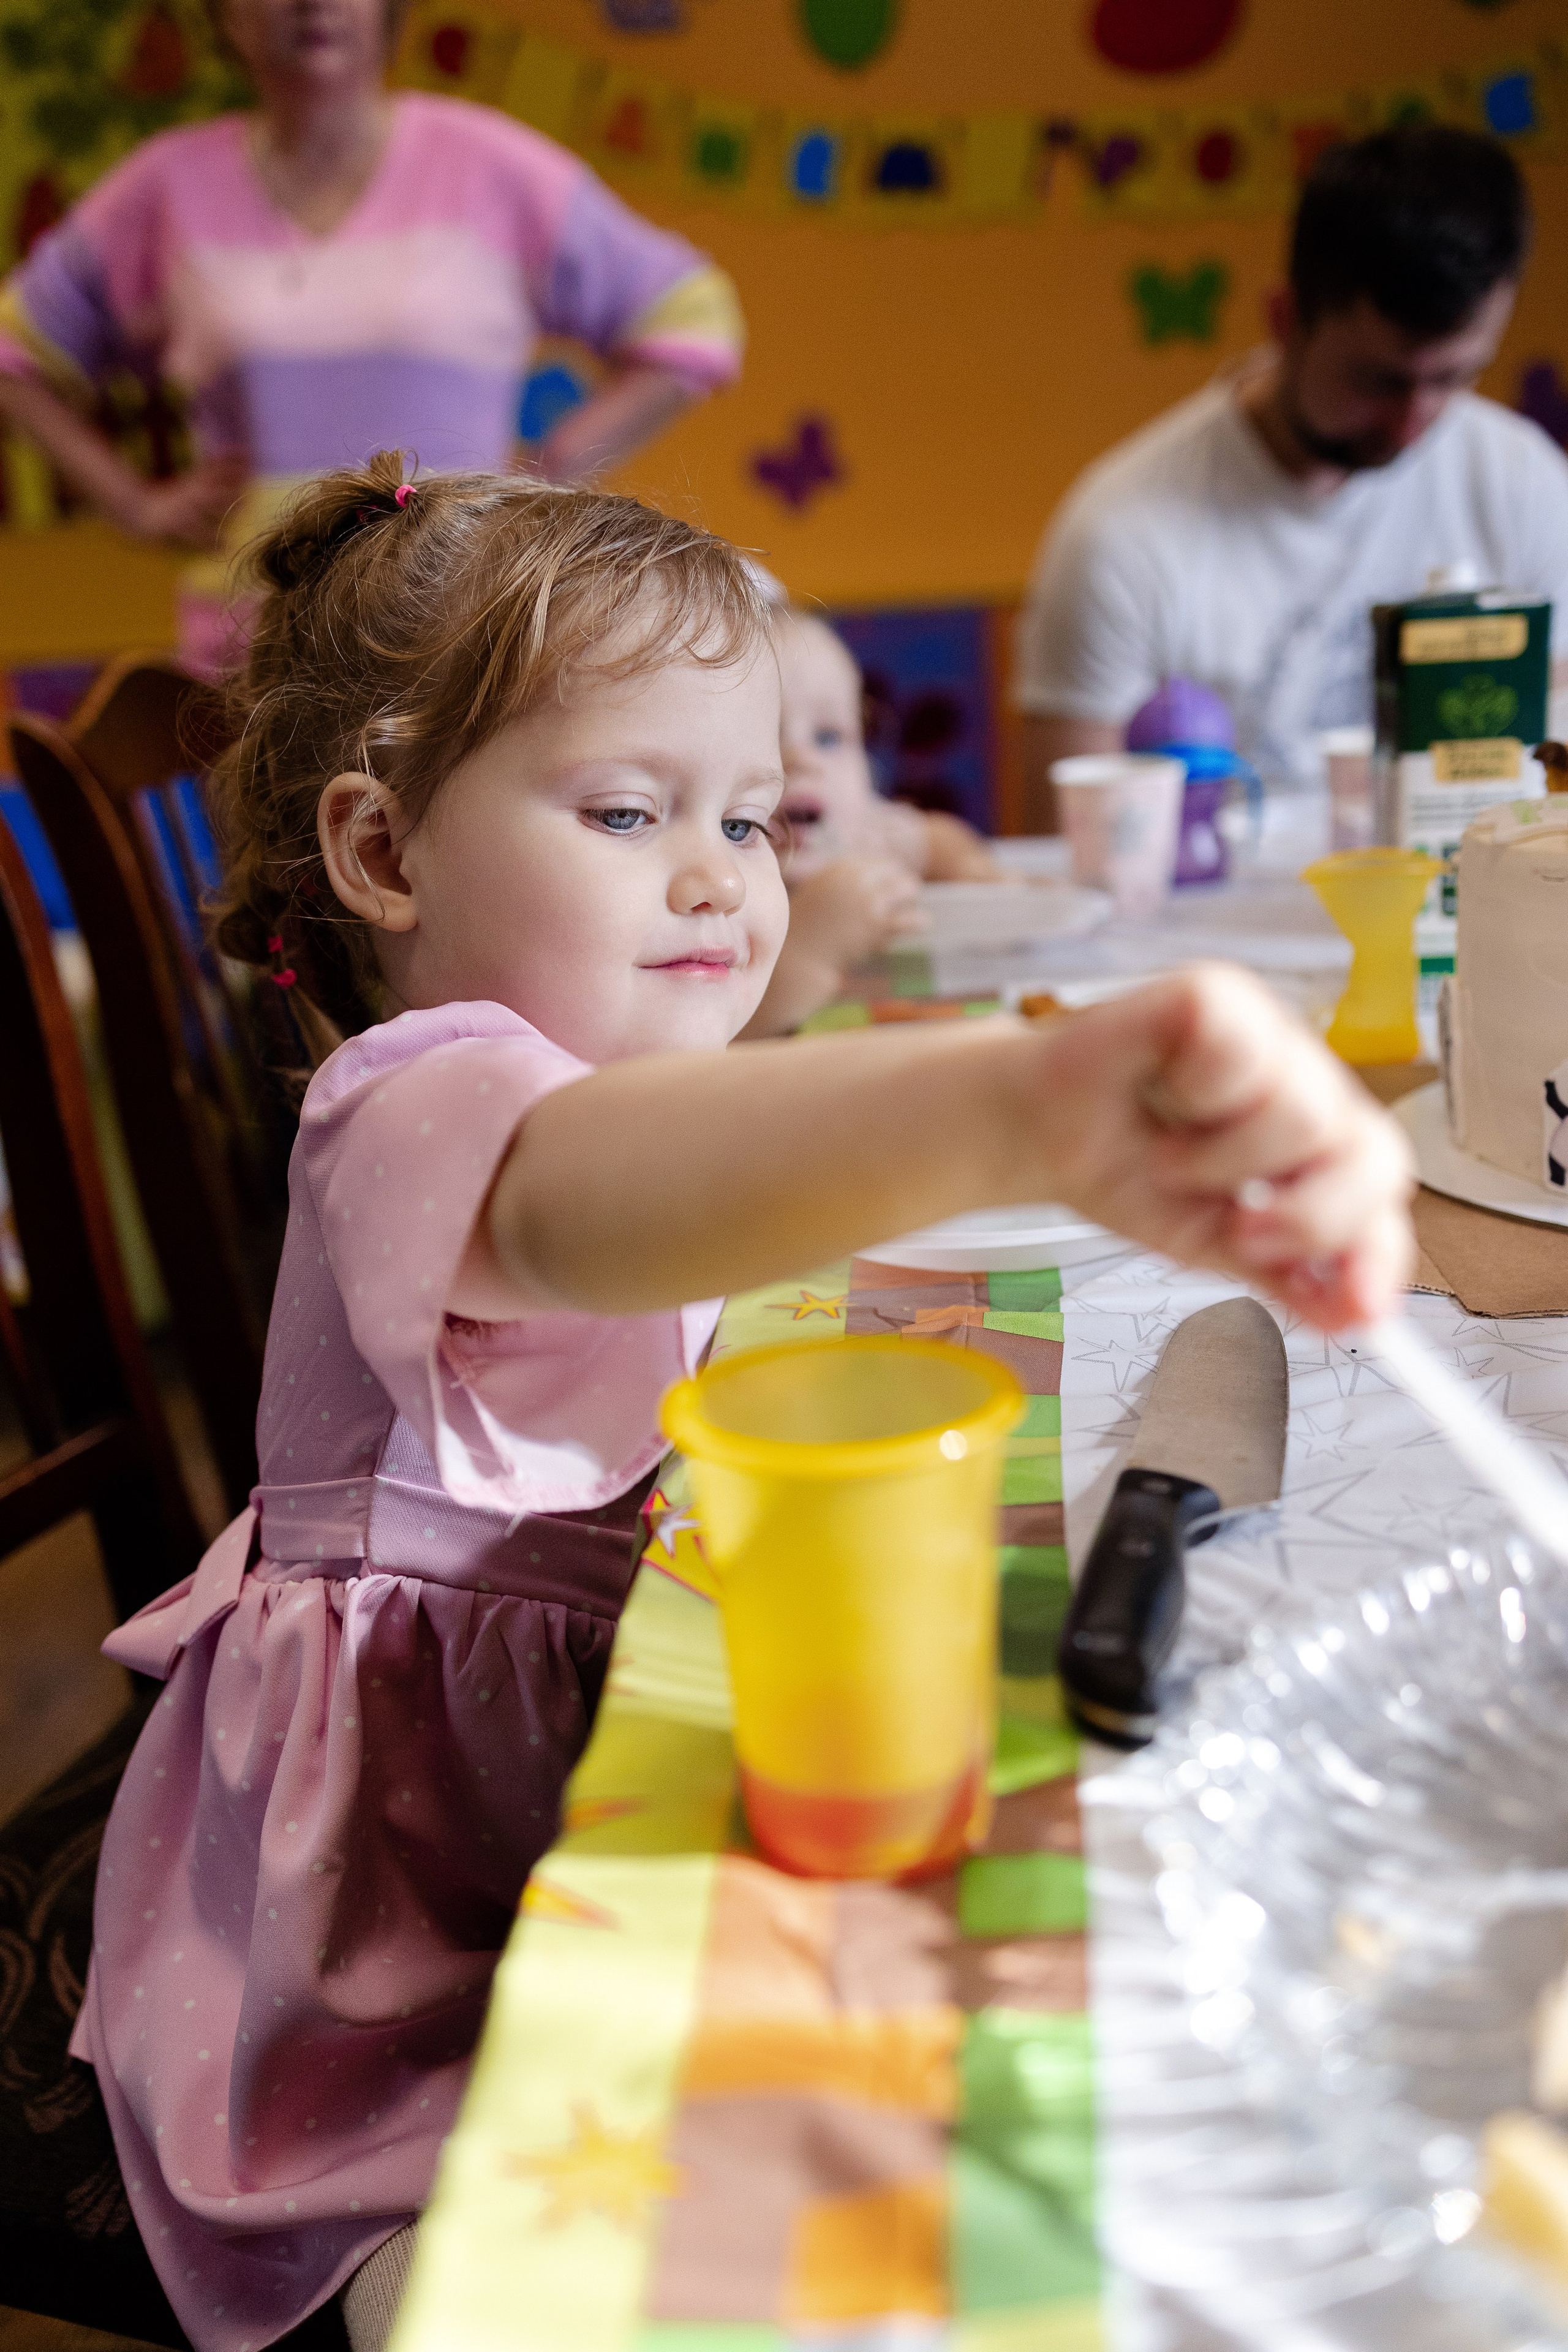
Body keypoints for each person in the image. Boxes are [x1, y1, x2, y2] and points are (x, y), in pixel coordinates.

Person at [70, 453, 1414, 2352]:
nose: (720, 874)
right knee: (511, 2258)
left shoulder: (594, 1048)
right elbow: (589, 1191)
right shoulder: (416, 1093)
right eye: (630, 810)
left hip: (549, 1743)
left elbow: (696, 1153)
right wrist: (1025, 1103)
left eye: (757, 818)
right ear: (383, 857)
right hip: (376, 1905)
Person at [0, 0, 742, 676]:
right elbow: (12, 354)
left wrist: (552, 467)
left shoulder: (489, 164)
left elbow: (693, 316)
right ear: (225, 18)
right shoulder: (166, 188)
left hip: (463, 626)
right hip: (256, 642)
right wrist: (134, 505)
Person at [1015, 125, 1568, 824]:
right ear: (1284, 319)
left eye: (1454, 378)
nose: (1413, 424)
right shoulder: (1122, 532)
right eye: (1377, 381)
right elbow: (1066, 858)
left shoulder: (1526, 488)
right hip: (1205, 930)